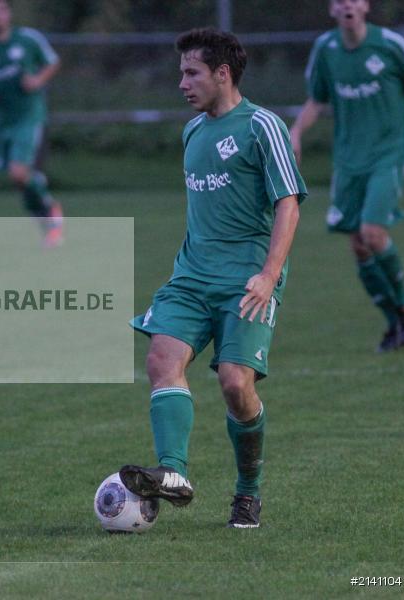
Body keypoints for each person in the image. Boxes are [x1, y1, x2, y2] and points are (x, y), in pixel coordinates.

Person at [122, 29, 307, 529]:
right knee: (161, 357)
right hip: (191, 275)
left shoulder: (262, 126)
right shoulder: (192, 131)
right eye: (182, 72)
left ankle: (248, 493)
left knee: (234, 385)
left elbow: (287, 203)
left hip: (247, 280)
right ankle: (174, 473)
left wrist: (269, 276)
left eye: (191, 72)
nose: (182, 82)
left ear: (221, 74)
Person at [290, 0, 404, 352]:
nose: (347, 4)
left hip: (388, 154)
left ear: (365, 6)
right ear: (332, 9)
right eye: (339, 0)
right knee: (358, 245)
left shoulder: (390, 45)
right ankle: (395, 324)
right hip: (348, 161)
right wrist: (296, 132)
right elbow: (316, 100)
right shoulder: (325, 49)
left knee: (372, 232)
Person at [0, 0, 63, 247]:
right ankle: (45, 221)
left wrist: (38, 80)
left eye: (1, 10)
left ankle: (51, 211)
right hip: (1, 122)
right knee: (19, 180)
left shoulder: (28, 39)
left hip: (29, 117)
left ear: (8, 14)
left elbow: (52, 62)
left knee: (19, 172)